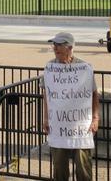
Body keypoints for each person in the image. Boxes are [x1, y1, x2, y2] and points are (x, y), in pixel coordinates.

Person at [42, 32, 100, 181]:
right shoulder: (50, 68)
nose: (55, 48)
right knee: (59, 166)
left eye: (59, 45)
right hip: (59, 124)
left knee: (83, 166)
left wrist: (95, 118)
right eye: (54, 45)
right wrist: (46, 118)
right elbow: (47, 95)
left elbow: (94, 94)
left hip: (81, 126)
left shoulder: (84, 68)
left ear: (69, 47)